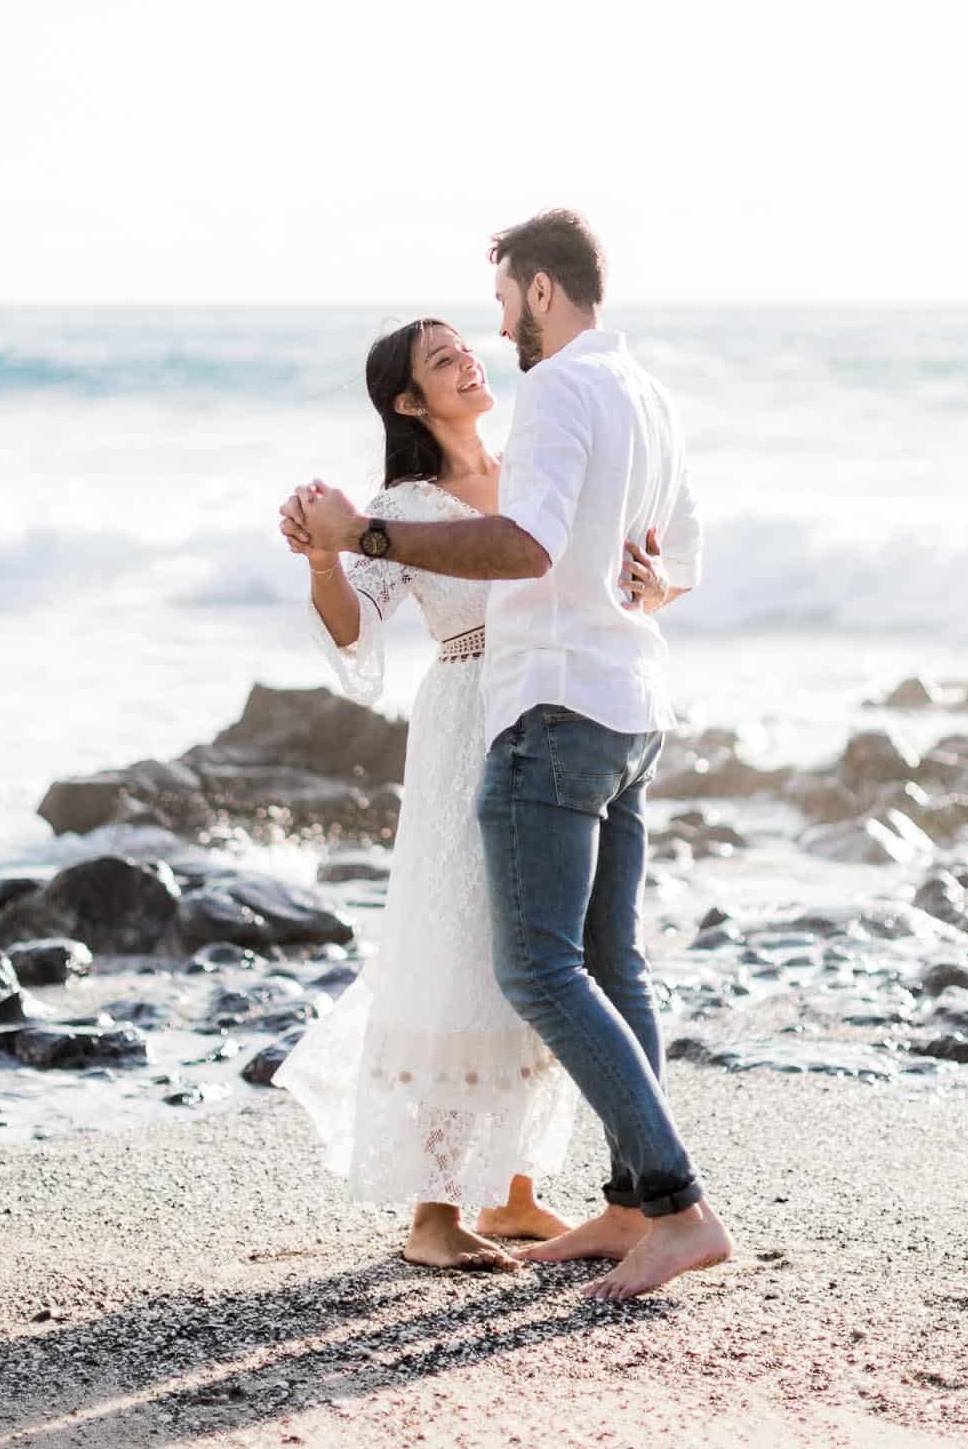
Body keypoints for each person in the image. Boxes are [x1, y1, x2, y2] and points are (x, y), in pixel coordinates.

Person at [288, 210, 734, 1301]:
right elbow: (673, 548)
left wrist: (363, 536)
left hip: (547, 703)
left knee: (538, 964)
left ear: (538, 291)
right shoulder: (635, 393)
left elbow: (548, 548)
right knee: (532, 955)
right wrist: (336, 552)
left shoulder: (556, 405)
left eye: (485, 318)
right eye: (443, 355)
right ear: (408, 399)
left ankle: (636, 1199)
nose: (482, 344)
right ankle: (545, 1200)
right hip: (535, 708)